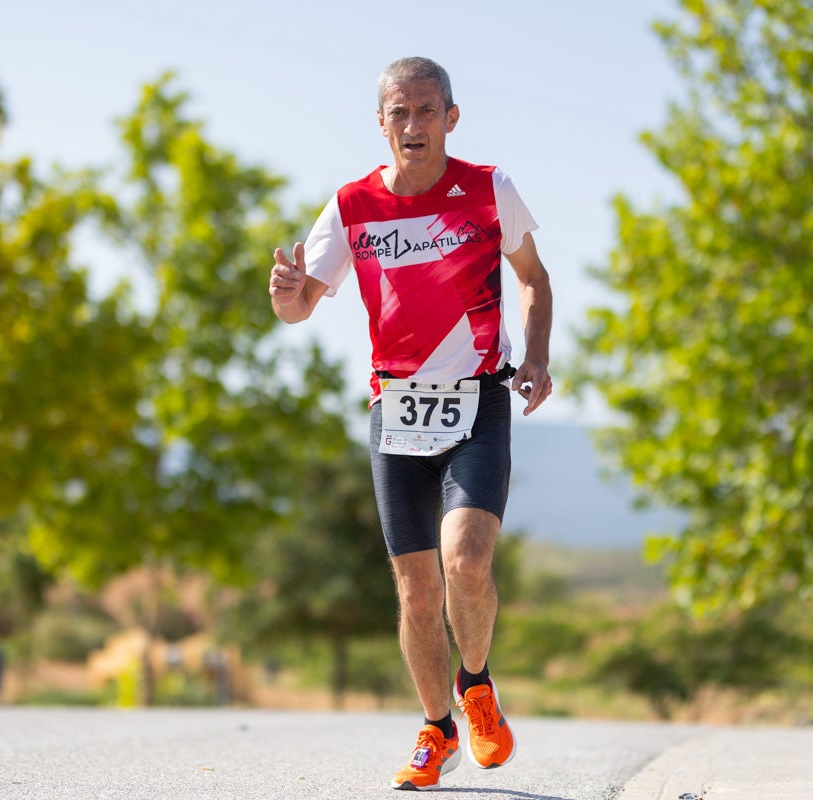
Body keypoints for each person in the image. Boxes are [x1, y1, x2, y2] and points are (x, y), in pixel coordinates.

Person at [268, 56, 553, 791]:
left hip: (478, 398)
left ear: (451, 118)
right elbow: (302, 306)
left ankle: (477, 684)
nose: (414, 125)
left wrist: (538, 357)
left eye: (428, 111)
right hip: (395, 408)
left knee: (466, 561)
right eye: (400, 112)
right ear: (381, 122)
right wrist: (290, 295)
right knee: (418, 591)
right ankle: (437, 728)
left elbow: (533, 277)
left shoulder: (490, 190)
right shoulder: (352, 205)